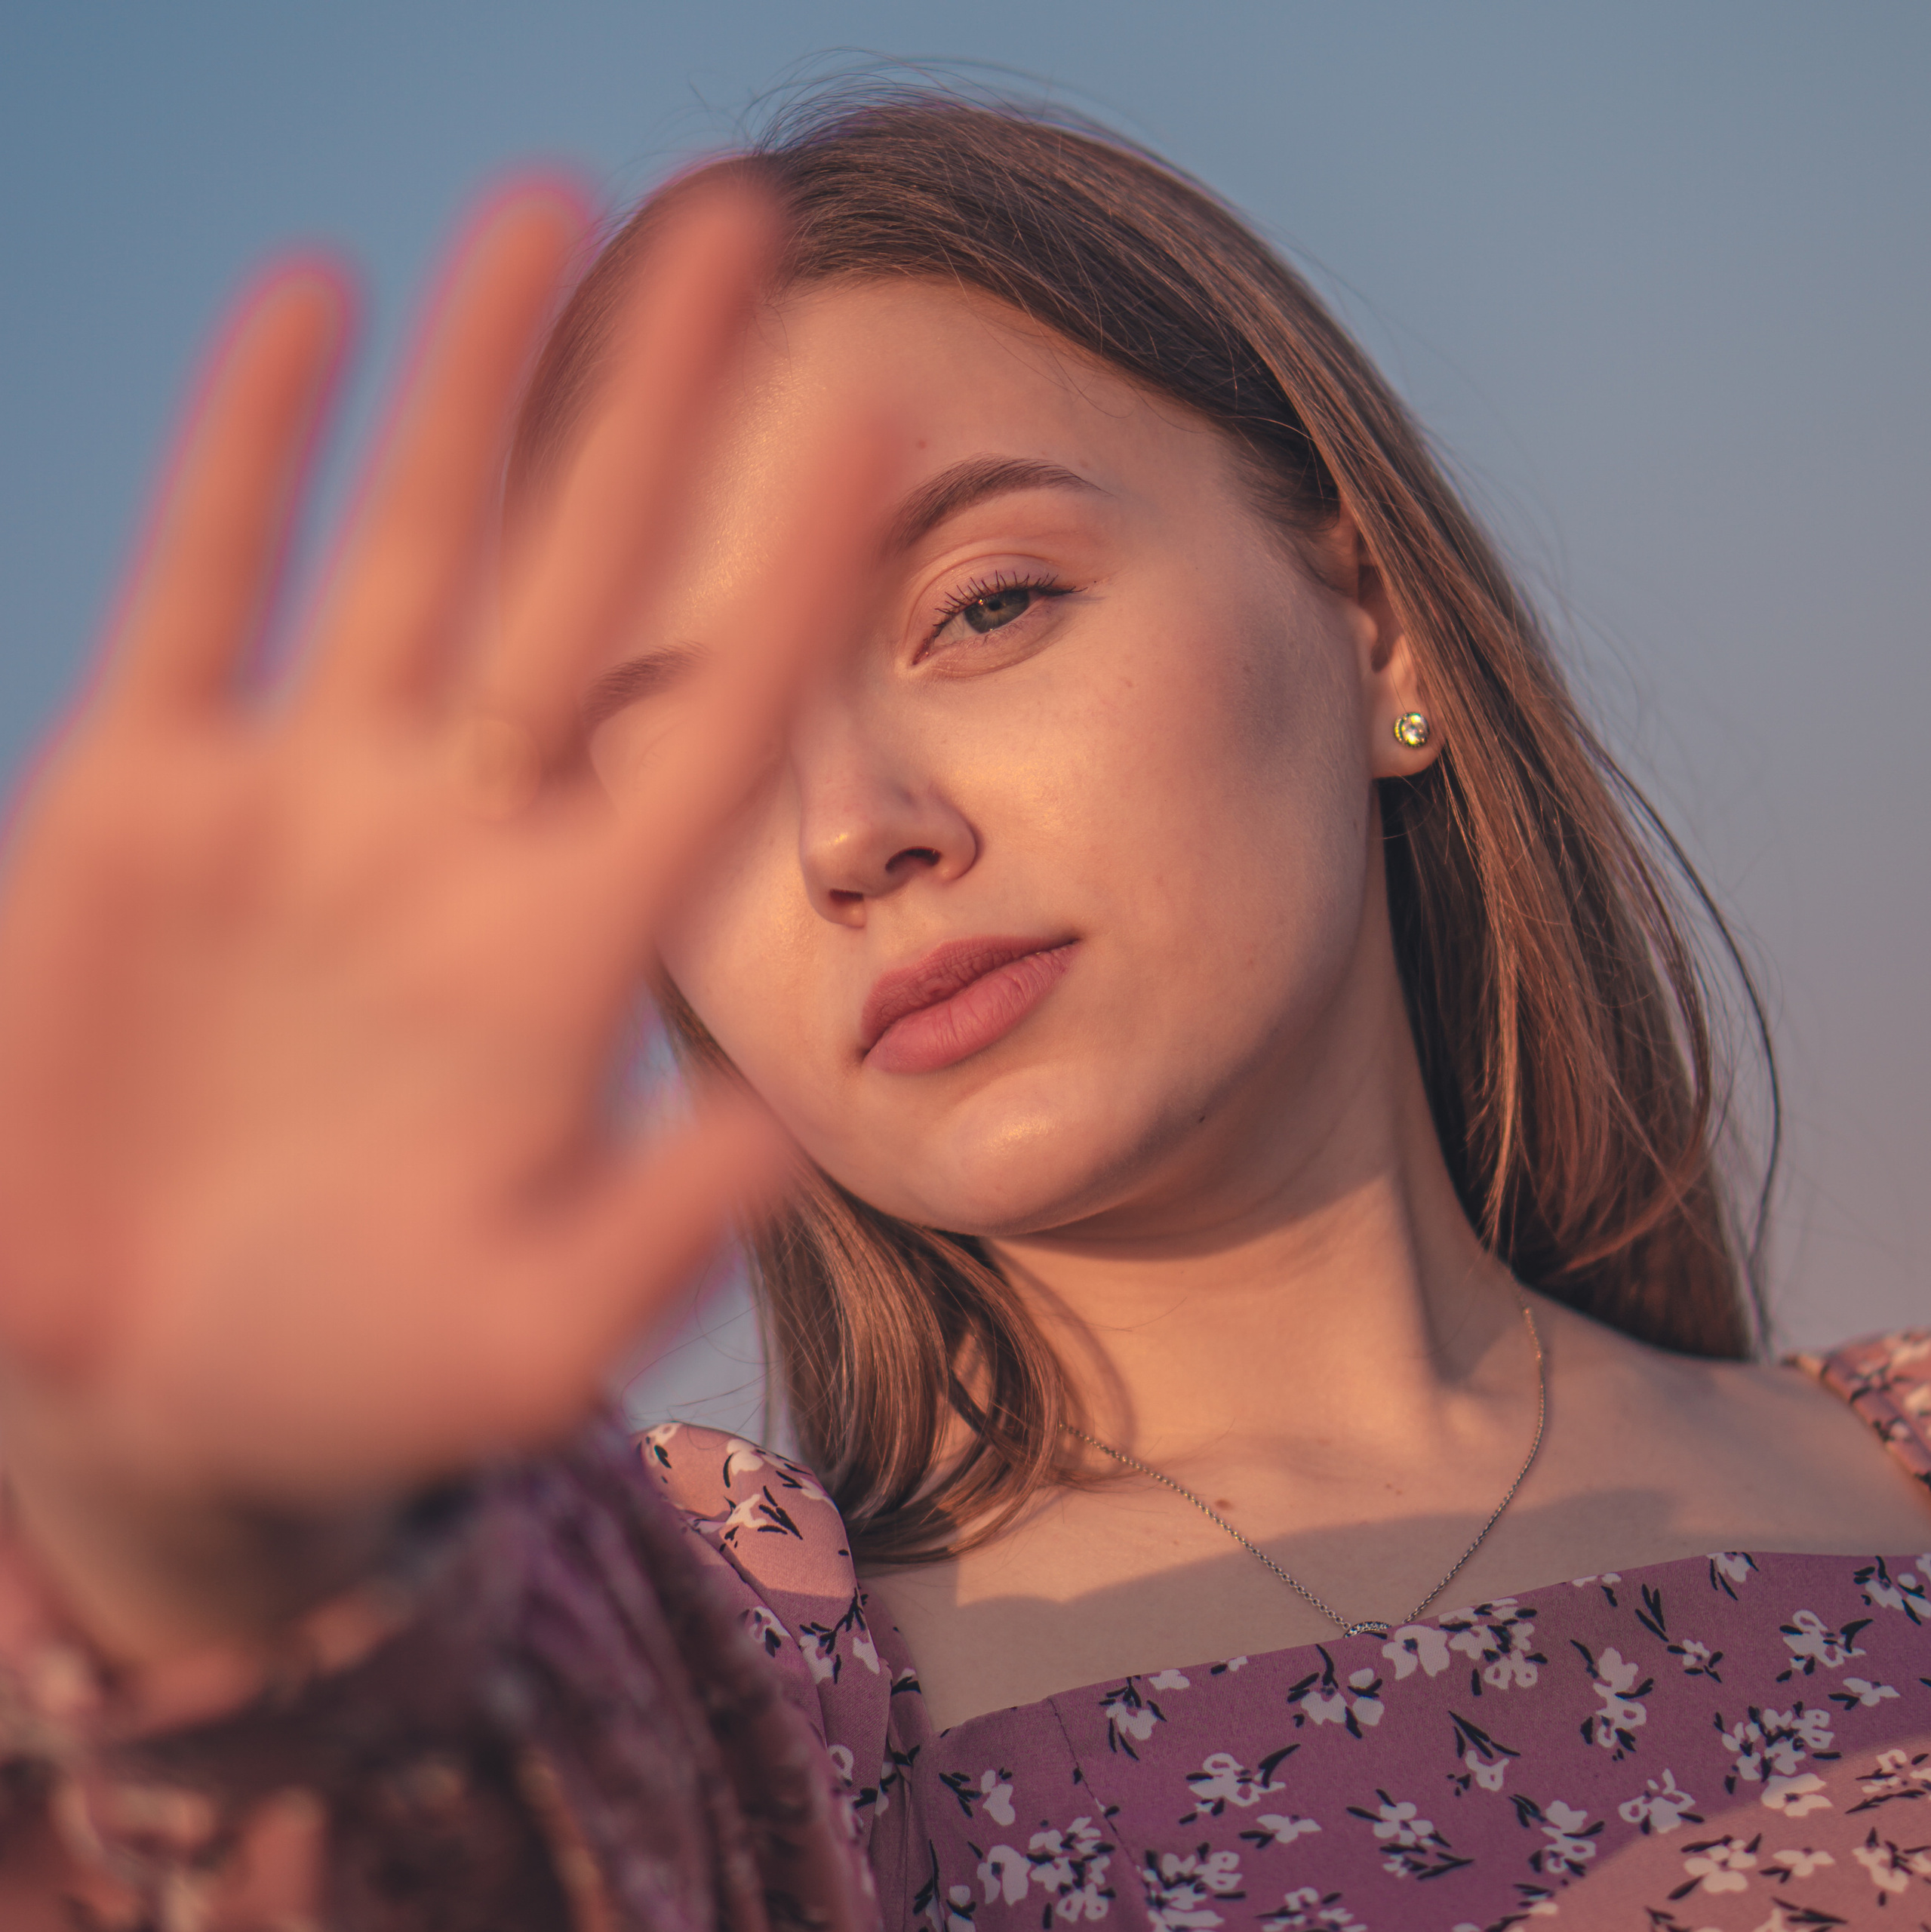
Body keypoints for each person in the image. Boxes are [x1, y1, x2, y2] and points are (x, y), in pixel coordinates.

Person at [0, 88, 1924, 1932]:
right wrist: (178, 1542)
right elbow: (348, 1824)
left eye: (986, 605)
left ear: (1371, 620)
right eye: (698, 755)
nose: (852, 828)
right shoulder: (732, 1708)